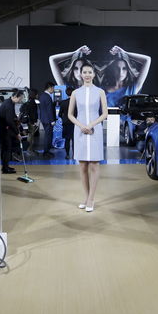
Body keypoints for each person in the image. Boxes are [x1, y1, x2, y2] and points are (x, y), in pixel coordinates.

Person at [68, 62, 108, 212]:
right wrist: (81, 126)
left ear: (94, 74)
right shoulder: (75, 93)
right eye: (84, 72)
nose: (87, 75)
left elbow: (104, 113)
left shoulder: (100, 92)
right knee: (83, 164)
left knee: (94, 164)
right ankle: (86, 197)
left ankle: (91, 198)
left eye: (90, 72)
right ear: (80, 74)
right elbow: (70, 114)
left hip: (95, 129)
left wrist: (91, 125)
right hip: (79, 130)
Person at [0, 89, 23, 174]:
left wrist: (16, 119)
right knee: (7, 149)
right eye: (20, 99)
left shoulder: (9, 103)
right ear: (15, 97)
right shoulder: (9, 105)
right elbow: (9, 120)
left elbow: (11, 117)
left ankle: (5, 167)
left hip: (5, 129)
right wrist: (17, 133)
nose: (20, 100)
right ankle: (5, 169)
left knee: (6, 149)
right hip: (4, 130)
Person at [38, 81, 57, 157]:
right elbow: (49, 110)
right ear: (50, 88)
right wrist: (52, 120)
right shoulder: (48, 97)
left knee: (47, 135)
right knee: (48, 136)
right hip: (48, 120)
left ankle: (47, 150)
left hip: (44, 119)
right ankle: (46, 152)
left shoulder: (42, 96)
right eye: (53, 88)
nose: (54, 90)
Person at [20, 88, 39, 155]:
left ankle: (30, 149)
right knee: (31, 135)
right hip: (31, 122)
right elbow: (33, 113)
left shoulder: (29, 102)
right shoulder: (32, 103)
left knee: (30, 135)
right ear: (34, 95)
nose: (37, 95)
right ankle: (29, 149)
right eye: (37, 94)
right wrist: (34, 122)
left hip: (28, 121)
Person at [58, 86, 75, 159]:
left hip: (66, 123)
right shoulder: (77, 103)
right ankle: (75, 155)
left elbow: (59, 114)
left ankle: (67, 154)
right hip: (75, 124)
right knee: (75, 140)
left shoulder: (63, 103)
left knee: (67, 140)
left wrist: (64, 118)